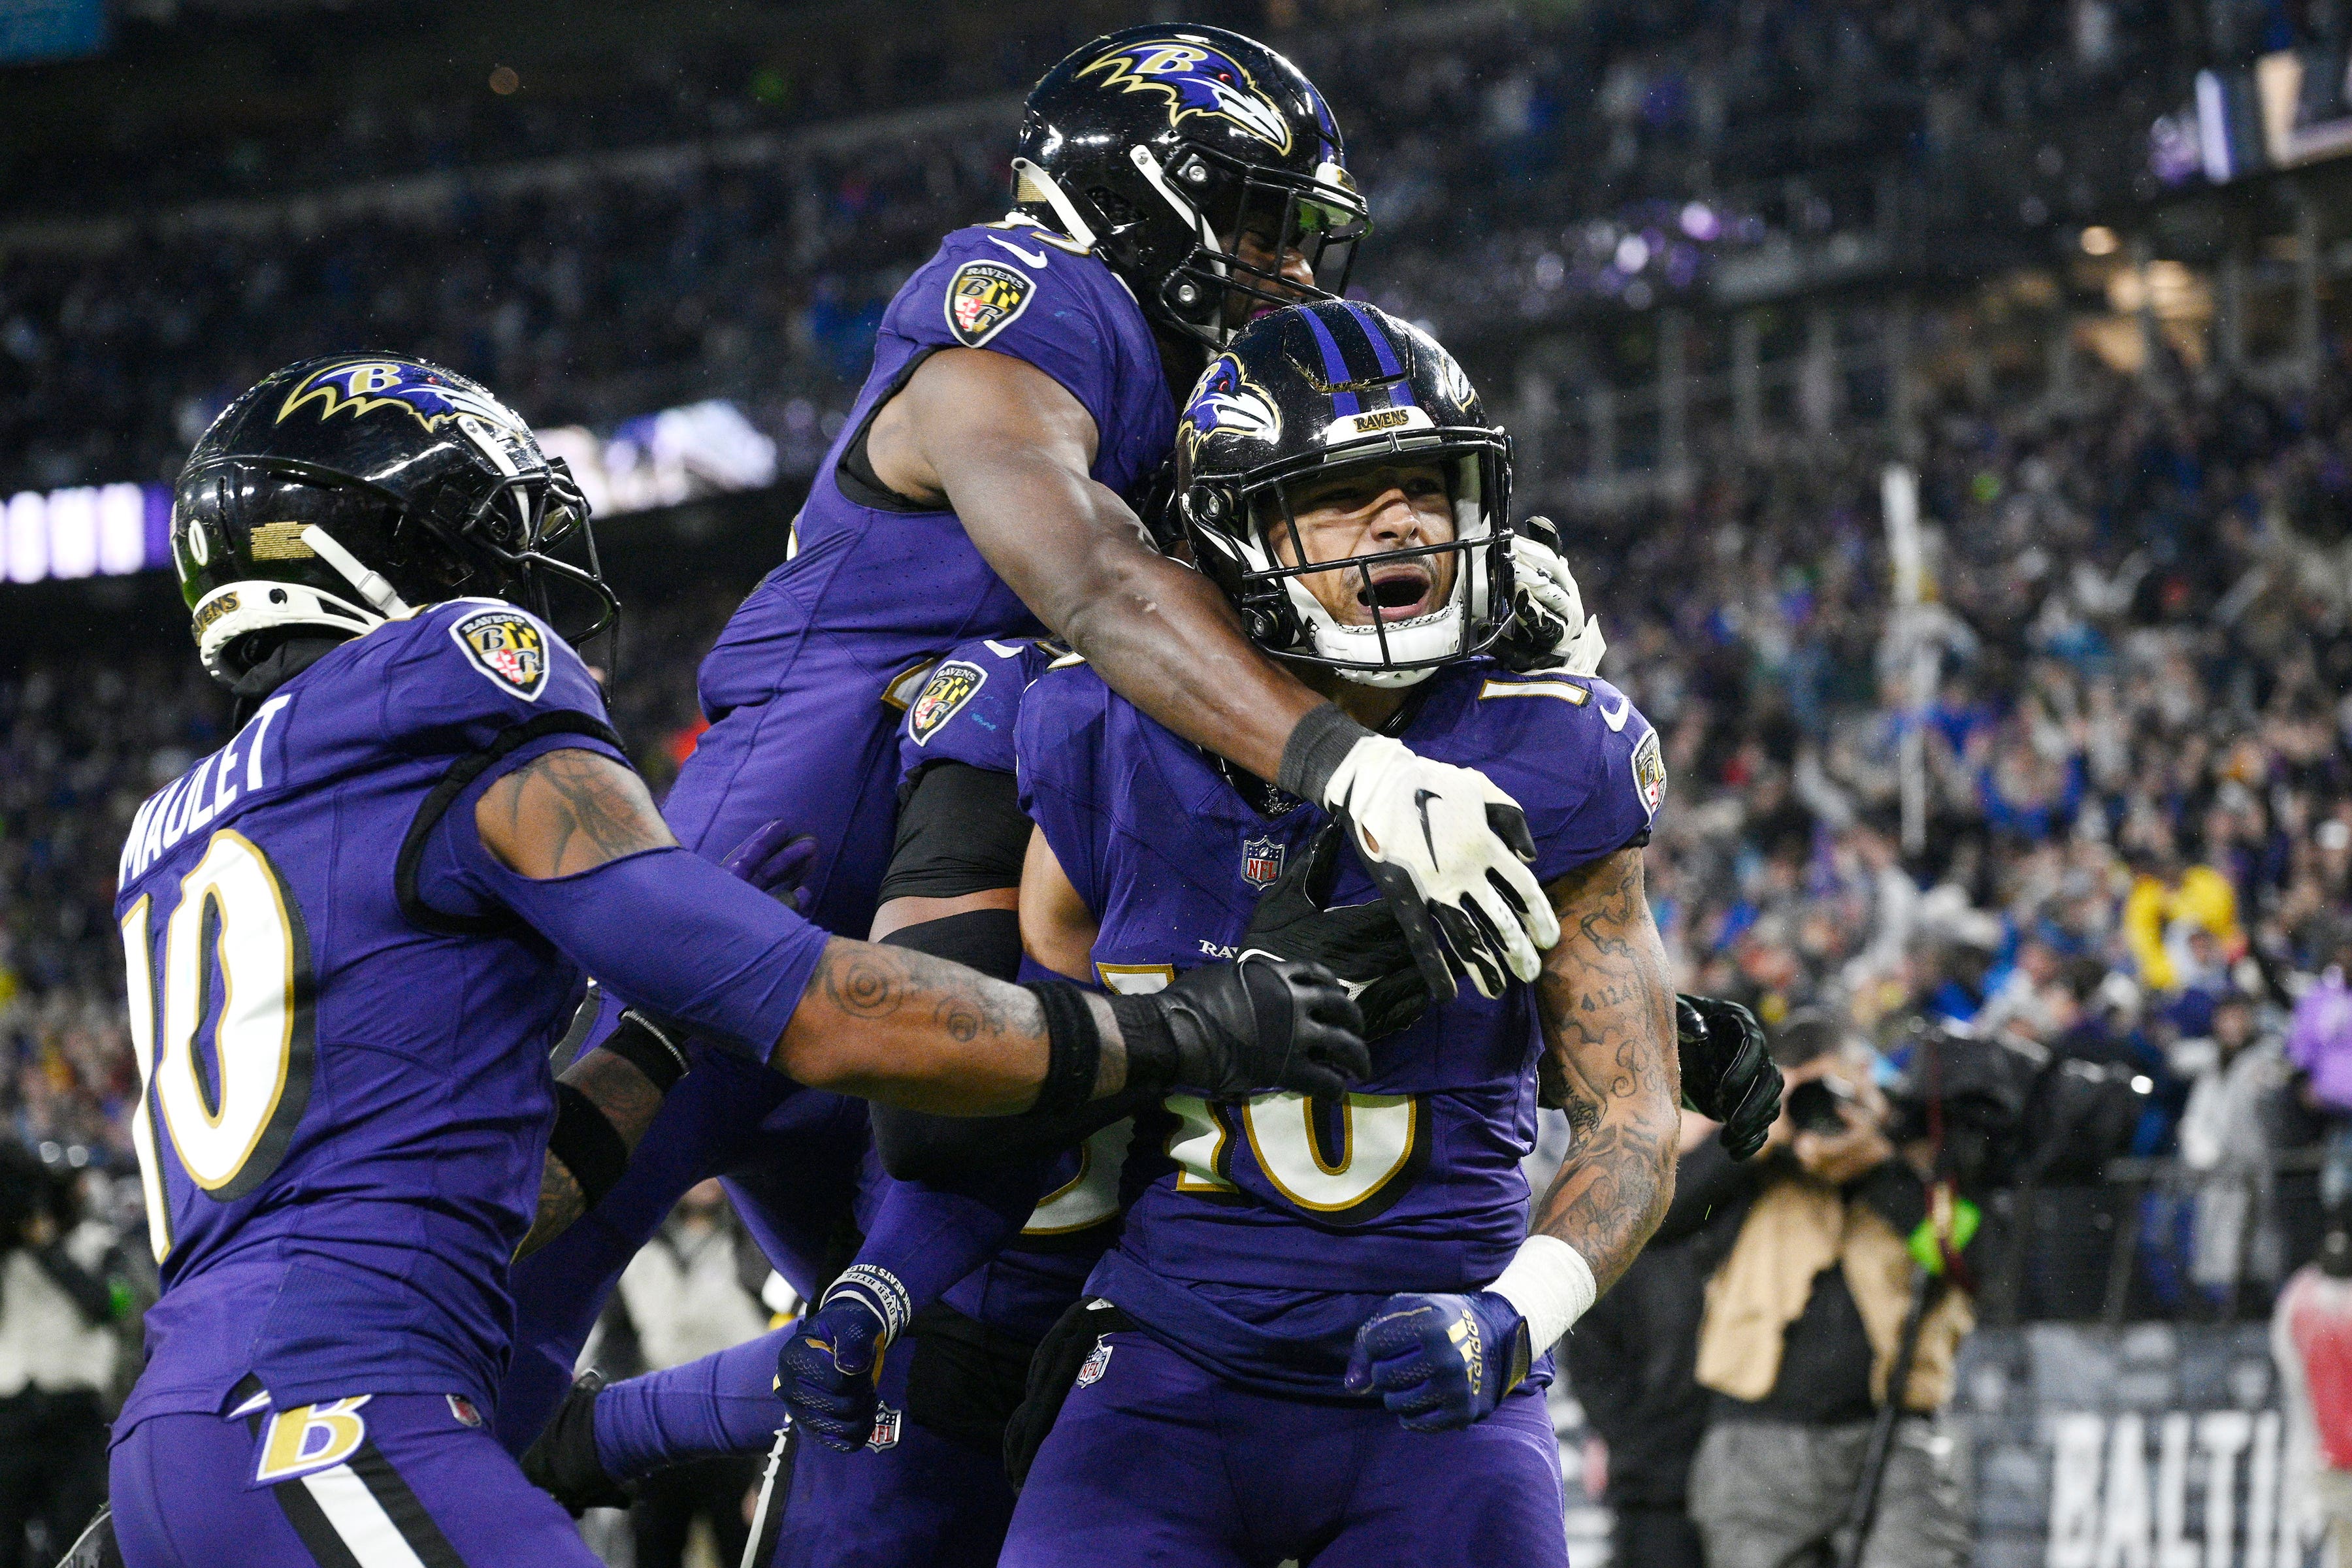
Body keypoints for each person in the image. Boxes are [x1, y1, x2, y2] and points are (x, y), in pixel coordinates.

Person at [498, 16, 1593, 1478]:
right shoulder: (1029, 301)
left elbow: (1220, 624)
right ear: (1141, 189)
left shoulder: (1202, 403)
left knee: (986, 1321)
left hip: (1005, 834)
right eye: (1262, 227)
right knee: (576, 1191)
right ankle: (315, 1445)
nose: (1288, 271)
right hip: (828, 804)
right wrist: (1353, 764)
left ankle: (590, 1443)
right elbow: (1090, 578)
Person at [102, 353, 1364, 1568]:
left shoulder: (190, 824)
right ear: (381, 559)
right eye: (475, 533)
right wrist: (1185, 1030)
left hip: (197, 1426)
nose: (521, 570)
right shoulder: (452, 685)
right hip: (339, 1417)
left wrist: (661, 1040)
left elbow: (507, 1193)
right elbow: (831, 1020)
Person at [944, 299, 1683, 1567]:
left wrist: (1515, 1317)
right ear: (1240, 529)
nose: (1404, 521)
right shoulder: (1100, 732)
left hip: (1440, 1373)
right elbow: (1054, 1060)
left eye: (1427, 487)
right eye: (1349, 494)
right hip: (1172, 1361)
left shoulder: (1552, 741)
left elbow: (1634, 1117)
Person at [1672, 1013, 1974, 1568]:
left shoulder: (1916, 1149)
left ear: (1865, 1079)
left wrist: (1883, 1167)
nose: (1821, 1107)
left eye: (1834, 1087)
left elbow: (1970, 1260)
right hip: (1758, 1442)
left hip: (1897, 1433)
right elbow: (1664, 1219)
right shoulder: (1744, 1163)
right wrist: (1757, 1128)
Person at [609, 1182, 771, 1568]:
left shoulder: (756, 1240)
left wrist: (768, 1469)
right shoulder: (637, 1242)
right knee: (653, 1547)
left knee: (746, 1549)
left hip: (741, 1427)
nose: (708, 1180)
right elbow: (618, 1338)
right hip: (660, 1426)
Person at [0, 1144, 130, 1568]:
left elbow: (109, 1305)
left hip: (73, 1411)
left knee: (79, 1542)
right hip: (12, 1411)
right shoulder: (10, 1251)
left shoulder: (99, 1244)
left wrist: (45, 1246)